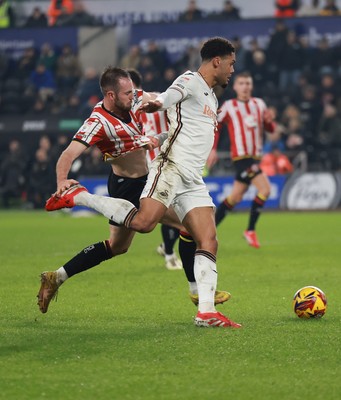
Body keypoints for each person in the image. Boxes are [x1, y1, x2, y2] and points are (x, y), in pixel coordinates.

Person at [43, 38, 241, 328]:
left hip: (168, 176)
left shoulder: (206, 98)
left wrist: (155, 127)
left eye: (133, 91)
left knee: (136, 244)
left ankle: (205, 308)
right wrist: (62, 181)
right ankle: (78, 196)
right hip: (131, 184)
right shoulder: (100, 120)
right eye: (127, 92)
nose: (132, 96)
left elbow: (157, 102)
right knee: (148, 226)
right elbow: (70, 152)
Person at [208, 72, 275, 249]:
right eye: (241, 83)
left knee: (235, 197)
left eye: (248, 83)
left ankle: (205, 231)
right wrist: (213, 149)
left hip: (255, 157)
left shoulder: (259, 104)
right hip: (242, 158)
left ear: (251, 86)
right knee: (265, 189)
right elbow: (216, 125)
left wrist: (270, 122)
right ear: (236, 87)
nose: (245, 86)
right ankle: (250, 230)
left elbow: (270, 127)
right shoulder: (229, 106)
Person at [128, 68, 182, 271]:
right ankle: (169, 254)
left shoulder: (157, 99)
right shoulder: (127, 110)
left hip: (166, 160)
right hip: (150, 165)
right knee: (166, 208)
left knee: (174, 208)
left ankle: (167, 249)